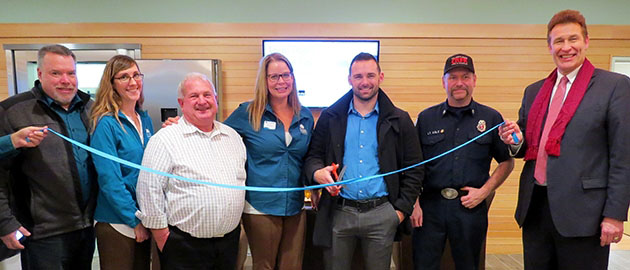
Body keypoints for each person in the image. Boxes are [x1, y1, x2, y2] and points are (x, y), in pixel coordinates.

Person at [498, 10, 630, 270]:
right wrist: (514, 139)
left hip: (585, 214)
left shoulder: (614, 86)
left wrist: (614, 215)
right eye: (559, 41)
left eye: (573, 39)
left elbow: (623, 156)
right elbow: (526, 146)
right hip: (536, 208)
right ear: (549, 46)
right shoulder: (534, 91)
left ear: (586, 41)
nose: (566, 47)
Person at [303, 52, 424, 270]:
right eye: (358, 76)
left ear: (381, 77)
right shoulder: (330, 117)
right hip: (339, 213)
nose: (364, 82)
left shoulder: (400, 120)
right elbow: (313, 157)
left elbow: (415, 169)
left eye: (370, 75)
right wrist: (316, 174)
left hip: (382, 213)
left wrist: (399, 212)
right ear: (349, 79)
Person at [411, 54, 514, 270]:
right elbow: (412, 165)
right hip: (430, 207)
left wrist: (485, 192)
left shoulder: (491, 118)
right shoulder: (427, 118)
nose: (459, 83)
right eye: (453, 77)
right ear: (443, 82)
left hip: (469, 207)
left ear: (474, 80)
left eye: (465, 77)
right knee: (423, 265)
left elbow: (507, 162)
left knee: (469, 266)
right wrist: (414, 203)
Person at [0, 44, 97, 269]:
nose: (66, 80)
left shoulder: (90, 108)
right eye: (56, 73)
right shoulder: (13, 110)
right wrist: (5, 224)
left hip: (85, 228)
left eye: (71, 73)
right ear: (40, 74)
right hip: (43, 234)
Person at [136, 73, 246, 270]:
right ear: (182, 102)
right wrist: (162, 235)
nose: (202, 101)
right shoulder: (165, 139)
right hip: (183, 246)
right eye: (194, 96)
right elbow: (148, 189)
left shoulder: (233, 137)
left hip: (228, 243)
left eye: (207, 95)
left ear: (216, 99)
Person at [224, 53, 314, 270]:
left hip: (294, 203)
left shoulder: (305, 116)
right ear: (264, 81)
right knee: (264, 265)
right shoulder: (247, 113)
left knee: (292, 266)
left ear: (292, 78)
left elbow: (309, 157)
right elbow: (215, 135)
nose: (281, 82)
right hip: (260, 206)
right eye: (273, 77)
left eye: (285, 75)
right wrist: (181, 123)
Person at [90, 55, 154, 270]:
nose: (133, 82)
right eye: (124, 77)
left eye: (136, 75)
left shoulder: (144, 119)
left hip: (143, 216)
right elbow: (110, 180)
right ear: (112, 84)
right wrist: (133, 219)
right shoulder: (106, 124)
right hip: (117, 221)